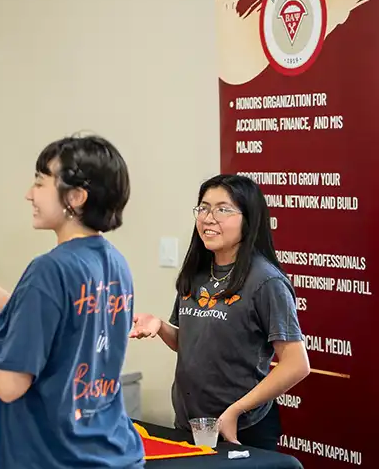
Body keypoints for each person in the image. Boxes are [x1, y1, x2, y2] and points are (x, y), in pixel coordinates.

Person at [0, 132, 145, 468]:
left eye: (40, 182)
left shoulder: (50, 269)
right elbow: (46, 324)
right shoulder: (113, 261)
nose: (29, 194)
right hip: (112, 452)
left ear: (77, 196)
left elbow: (9, 385)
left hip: (56, 456)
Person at [130, 174, 309, 450]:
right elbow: (191, 344)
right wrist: (160, 325)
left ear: (248, 219)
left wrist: (236, 410)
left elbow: (296, 364)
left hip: (242, 428)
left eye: (223, 209)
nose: (208, 218)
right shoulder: (196, 273)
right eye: (203, 207)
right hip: (190, 424)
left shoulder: (265, 281)